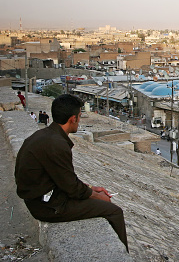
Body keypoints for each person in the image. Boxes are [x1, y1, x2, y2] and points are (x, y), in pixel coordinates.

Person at [14, 94, 128, 251]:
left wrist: (91, 188)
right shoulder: (57, 144)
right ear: (73, 119)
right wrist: (98, 196)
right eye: (80, 117)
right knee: (114, 211)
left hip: (43, 196)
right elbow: (71, 187)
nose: (79, 121)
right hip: (46, 206)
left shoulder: (45, 136)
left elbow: (64, 178)